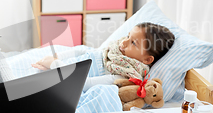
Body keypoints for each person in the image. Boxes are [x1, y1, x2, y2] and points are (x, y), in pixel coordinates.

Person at [32, 22, 175, 91]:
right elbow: (84, 50)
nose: (124, 42)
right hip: (60, 67)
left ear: (147, 59)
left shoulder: (123, 76)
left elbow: (83, 83)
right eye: (128, 36)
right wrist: (57, 57)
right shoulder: (113, 51)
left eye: (133, 43)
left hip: (65, 79)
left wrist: (54, 64)